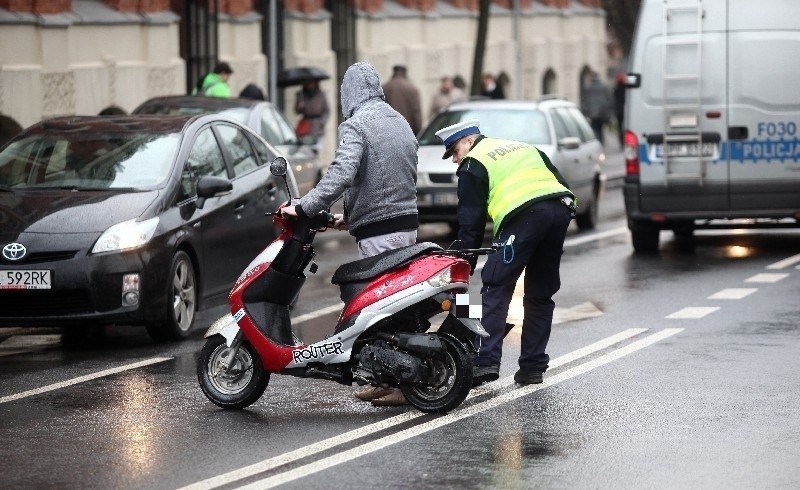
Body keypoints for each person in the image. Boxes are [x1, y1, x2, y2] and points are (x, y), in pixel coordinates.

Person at [280, 61, 419, 407]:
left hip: (379, 232)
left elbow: (343, 173)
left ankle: (400, 383)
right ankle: (388, 379)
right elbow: (391, 173)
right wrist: (351, 217)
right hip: (405, 225)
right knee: (394, 303)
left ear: (348, 93)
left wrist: (305, 207)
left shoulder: (356, 125)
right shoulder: (398, 121)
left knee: (379, 308)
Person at [434, 119, 575, 387]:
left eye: (454, 151)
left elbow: (471, 225)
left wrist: (462, 270)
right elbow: (560, 181)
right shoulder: (521, 147)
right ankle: (532, 368)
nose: (454, 160)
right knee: (540, 293)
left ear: (469, 141)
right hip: (559, 211)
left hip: (524, 217)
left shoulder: (473, 163)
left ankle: (485, 362)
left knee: (496, 284)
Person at [381, 64, 422, 135]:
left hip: (388, 132)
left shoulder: (385, 88)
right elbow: (416, 112)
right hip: (407, 131)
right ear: (405, 72)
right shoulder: (412, 88)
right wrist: (418, 131)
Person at [294, 78, 330, 151]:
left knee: (316, 148)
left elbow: (327, 111)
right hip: (306, 126)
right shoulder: (301, 95)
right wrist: (300, 106)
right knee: (305, 148)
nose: (311, 84)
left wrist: (322, 122)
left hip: (317, 126)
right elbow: (297, 111)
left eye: (312, 82)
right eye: (309, 82)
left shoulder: (321, 95)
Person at [580, 72, 612, 146]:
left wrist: (585, 112)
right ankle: (601, 143)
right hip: (602, 113)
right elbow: (609, 100)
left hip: (592, 113)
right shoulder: (604, 87)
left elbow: (585, 101)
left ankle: (598, 143)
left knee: (595, 129)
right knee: (600, 129)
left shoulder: (588, 88)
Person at [613, 72, 626, 148]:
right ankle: (625, 140)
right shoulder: (626, 89)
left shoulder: (616, 89)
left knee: (620, 127)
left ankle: (621, 142)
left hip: (618, 111)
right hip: (625, 110)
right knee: (626, 126)